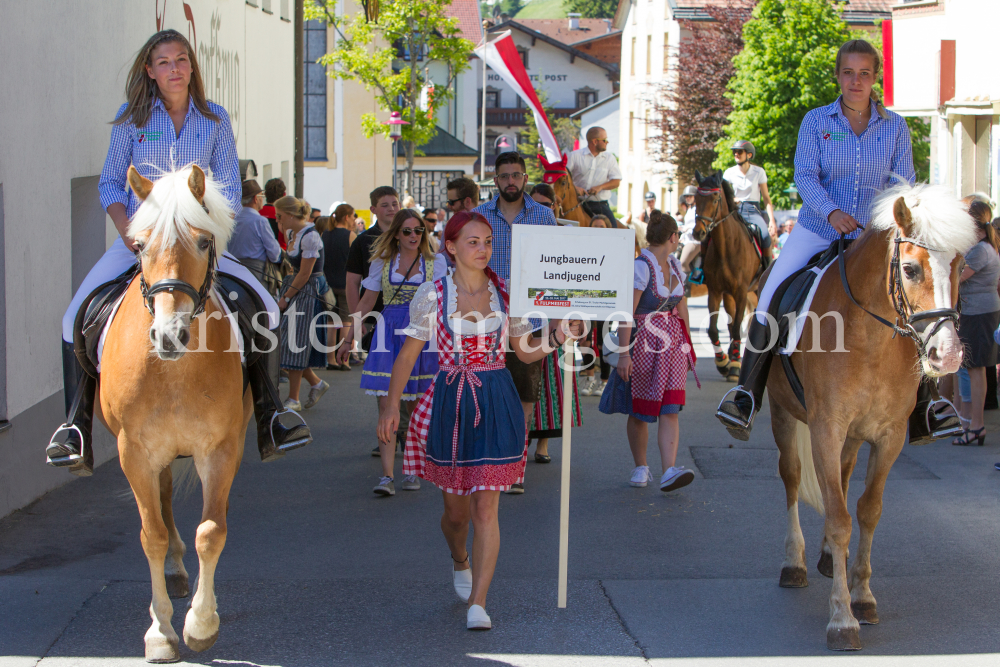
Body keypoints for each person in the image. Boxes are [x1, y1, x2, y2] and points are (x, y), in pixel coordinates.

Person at [46, 29, 310, 476]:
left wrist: (208, 235)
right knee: (74, 316)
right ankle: (76, 428)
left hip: (199, 242)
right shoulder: (131, 119)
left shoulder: (215, 119)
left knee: (264, 306)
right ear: (150, 71)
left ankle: (270, 416)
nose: (175, 68)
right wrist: (128, 231)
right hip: (141, 240)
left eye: (182, 59)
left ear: (191, 66)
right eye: (164, 61)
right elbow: (112, 183)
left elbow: (225, 183)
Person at [716, 39, 955, 444]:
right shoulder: (816, 121)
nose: (856, 81)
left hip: (878, 239)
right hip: (819, 227)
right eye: (849, 73)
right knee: (774, 291)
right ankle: (746, 395)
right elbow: (805, 176)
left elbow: (903, 184)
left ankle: (927, 404)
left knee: (916, 300)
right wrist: (832, 212)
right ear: (838, 77)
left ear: (875, 78)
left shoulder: (896, 126)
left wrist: (875, 224)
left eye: (864, 73)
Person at [378, 211, 582, 630]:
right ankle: (459, 558)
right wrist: (390, 407)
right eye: (473, 241)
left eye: (487, 241)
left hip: (495, 396)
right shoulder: (432, 295)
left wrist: (559, 337)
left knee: (486, 507)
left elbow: (523, 352)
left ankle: (479, 602)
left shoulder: (506, 293)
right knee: (456, 514)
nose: (483, 249)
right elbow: (407, 356)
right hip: (451, 399)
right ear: (451, 247)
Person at [339, 209, 448, 495]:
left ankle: (413, 469)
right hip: (388, 335)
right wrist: (348, 337)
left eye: (419, 231)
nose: (414, 236)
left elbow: (446, 303)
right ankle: (387, 476)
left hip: (422, 336)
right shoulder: (382, 263)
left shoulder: (435, 263)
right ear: (396, 234)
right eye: (408, 231)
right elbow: (365, 303)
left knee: (415, 409)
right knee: (387, 407)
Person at [473, 152, 559, 493]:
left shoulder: (543, 216)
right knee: (485, 392)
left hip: (530, 317)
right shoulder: (478, 216)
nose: (511, 181)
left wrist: (556, 321)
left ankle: (515, 467)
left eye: (516, 175)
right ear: (495, 180)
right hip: (485, 318)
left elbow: (554, 269)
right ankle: (487, 462)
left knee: (524, 394)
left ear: (525, 178)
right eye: (504, 175)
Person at [600, 211, 698, 491]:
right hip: (644, 342)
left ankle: (668, 470)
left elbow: (682, 307)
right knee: (641, 409)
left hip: (672, 345)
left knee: (670, 407)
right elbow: (626, 313)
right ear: (673, 237)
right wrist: (623, 353)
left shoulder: (676, 265)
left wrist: (687, 345)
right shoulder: (641, 267)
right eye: (677, 236)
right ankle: (641, 466)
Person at [346, 186, 410, 456]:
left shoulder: (410, 235)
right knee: (384, 380)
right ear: (373, 209)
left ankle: (406, 435)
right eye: (385, 205)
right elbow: (352, 283)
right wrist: (356, 322)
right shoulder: (363, 241)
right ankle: (388, 434)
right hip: (376, 320)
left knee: (409, 378)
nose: (391, 209)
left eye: (394, 203)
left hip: (407, 321)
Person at [275, 196, 330, 412]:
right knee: (289, 342)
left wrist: (286, 297)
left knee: (295, 342)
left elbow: (305, 273)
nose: (278, 220)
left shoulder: (310, 236)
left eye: (280, 216)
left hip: (307, 290)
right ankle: (316, 383)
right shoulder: (293, 233)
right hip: (296, 286)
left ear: (289, 215)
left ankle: (294, 399)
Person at [952, 199, 1000, 446]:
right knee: (973, 368)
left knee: (976, 368)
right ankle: (970, 423)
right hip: (977, 312)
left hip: (979, 314)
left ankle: (976, 425)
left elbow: (957, 277)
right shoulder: (980, 246)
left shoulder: (981, 250)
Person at [577, 213, 613, 396]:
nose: (597, 230)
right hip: (587, 298)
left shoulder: (614, 249)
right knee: (585, 340)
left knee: (604, 342)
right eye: (594, 227)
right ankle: (590, 378)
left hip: (606, 300)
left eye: (601, 227)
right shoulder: (584, 248)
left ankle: (604, 381)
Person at [230, 179, 283, 295]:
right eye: (261, 196)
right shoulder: (260, 221)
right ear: (255, 198)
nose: (262, 199)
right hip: (256, 275)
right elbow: (274, 254)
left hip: (232, 274)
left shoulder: (231, 220)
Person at [322, 203, 357, 371]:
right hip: (345, 283)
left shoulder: (325, 235)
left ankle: (330, 359)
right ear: (346, 217)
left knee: (331, 323)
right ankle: (344, 360)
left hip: (328, 284)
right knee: (346, 323)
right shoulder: (350, 235)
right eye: (353, 216)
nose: (354, 220)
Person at [724, 140, 778, 248]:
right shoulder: (729, 172)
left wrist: (772, 220)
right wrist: (732, 199)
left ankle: (767, 264)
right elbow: (724, 195)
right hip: (734, 210)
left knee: (766, 237)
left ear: (749, 154)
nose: (736, 154)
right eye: (734, 152)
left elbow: (766, 199)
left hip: (753, 210)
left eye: (740, 152)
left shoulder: (759, 172)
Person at [567, 126, 622, 227]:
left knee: (614, 232)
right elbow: (563, 178)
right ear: (595, 141)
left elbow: (616, 181)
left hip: (600, 205)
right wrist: (575, 188)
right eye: (604, 140)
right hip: (576, 203)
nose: (607, 142)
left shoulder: (609, 158)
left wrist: (600, 187)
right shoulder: (574, 156)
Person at [678, 185, 701, 281]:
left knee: (683, 263)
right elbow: (687, 225)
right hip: (686, 239)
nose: (687, 198)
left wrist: (687, 229)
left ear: (695, 197)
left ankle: (686, 288)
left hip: (695, 240)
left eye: (690, 196)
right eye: (686, 196)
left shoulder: (698, 209)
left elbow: (698, 226)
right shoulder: (689, 210)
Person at [260, 178, 287, 250]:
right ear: (284, 195)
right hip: (279, 254)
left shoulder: (257, 213)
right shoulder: (284, 216)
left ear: (265, 194)